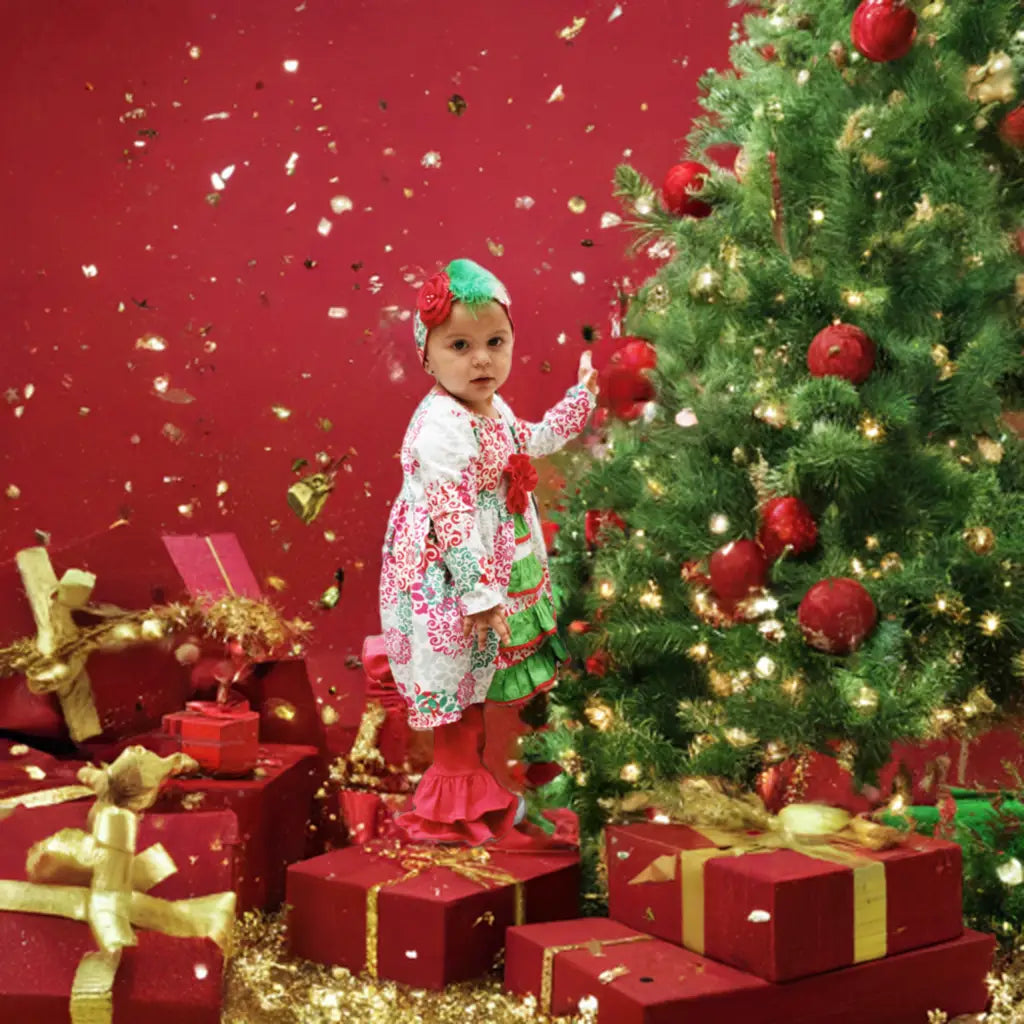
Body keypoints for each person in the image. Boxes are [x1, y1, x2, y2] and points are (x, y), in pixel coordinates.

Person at [377, 257, 598, 843]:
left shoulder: (491, 409)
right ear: (427, 355)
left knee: (472, 684)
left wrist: (578, 402)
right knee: (453, 680)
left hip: (481, 567)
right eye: (460, 345)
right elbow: (450, 517)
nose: (481, 359)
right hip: (445, 578)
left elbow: (528, 438)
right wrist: (477, 594)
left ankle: (473, 789)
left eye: (495, 342)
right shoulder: (440, 428)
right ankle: (455, 798)